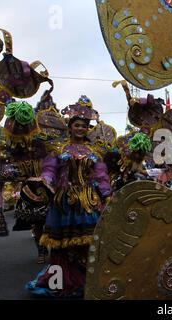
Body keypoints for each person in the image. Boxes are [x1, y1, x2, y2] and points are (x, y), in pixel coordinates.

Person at [25, 96, 112, 297]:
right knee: (62, 246)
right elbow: (49, 170)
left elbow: (101, 177)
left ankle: (88, 279)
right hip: (64, 203)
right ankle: (62, 280)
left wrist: (107, 197)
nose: (81, 129)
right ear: (70, 127)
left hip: (88, 203)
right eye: (77, 125)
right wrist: (44, 181)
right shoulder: (59, 150)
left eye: (84, 126)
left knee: (89, 243)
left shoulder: (94, 152)